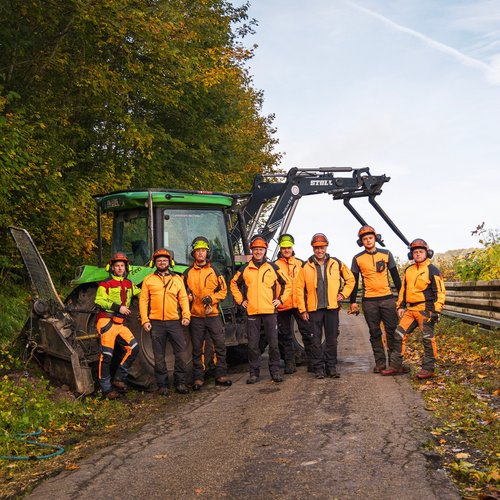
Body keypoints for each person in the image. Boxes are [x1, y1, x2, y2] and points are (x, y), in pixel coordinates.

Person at [230, 234, 291, 384]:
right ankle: (254, 373)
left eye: (261, 249)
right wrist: (241, 301)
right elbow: (233, 284)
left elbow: (287, 284)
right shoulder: (245, 269)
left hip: (270, 312)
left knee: (274, 343)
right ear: (252, 251)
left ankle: (275, 371)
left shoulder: (273, 267)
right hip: (252, 313)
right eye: (256, 249)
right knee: (253, 345)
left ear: (265, 251)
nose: (258, 252)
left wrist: (280, 300)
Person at [382, 239, 446, 379]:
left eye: (420, 252)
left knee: (428, 339)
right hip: (410, 311)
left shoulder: (433, 270)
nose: (417, 254)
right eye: (415, 252)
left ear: (427, 253)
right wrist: (400, 306)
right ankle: (395, 366)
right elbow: (403, 291)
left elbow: (440, 292)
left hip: (426, 309)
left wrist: (436, 311)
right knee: (398, 335)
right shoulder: (409, 270)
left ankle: (429, 369)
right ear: (411, 255)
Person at [297, 233, 355, 379]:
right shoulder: (305, 266)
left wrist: (343, 294)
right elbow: (298, 289)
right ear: (313, 248)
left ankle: (331, 367)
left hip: (331, 308)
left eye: (322, 247)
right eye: (316, 248)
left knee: (332, 339)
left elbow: (350, 279)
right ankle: (318, 369)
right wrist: (302, 309)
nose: (319, 250)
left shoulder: (336, 263)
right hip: (314, 309)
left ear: (326, 247)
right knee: (315, 340)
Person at [348, 225, 402, 373]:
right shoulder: (357, 258)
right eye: (365, 239)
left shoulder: (386, 254)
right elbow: (353, 281)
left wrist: (402, 300)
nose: (368, 241)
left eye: (370, 238)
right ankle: (380, 363)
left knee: (392, 331)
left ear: (375, 238)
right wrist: (353, 302)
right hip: (369, 301)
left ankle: (394, 363)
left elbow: (396, 278)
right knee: (374, 332)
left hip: (387, 299)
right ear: (361, 242)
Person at [139, 248, 191, 395]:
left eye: (164, 260)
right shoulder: (149, 280)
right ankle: (162, 385)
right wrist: (145, 320)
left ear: (169, 262)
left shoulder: (177, 279)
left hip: (175, 322)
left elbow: (183, 299)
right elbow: (143, 301)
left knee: (181, 354)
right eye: (159, 260)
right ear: (155, 263)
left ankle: (180, 383)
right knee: (159, 356)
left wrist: (186, 315)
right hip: (156, 323)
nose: (162, 262)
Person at [183, 236, 232, 391]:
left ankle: (221, 375)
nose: (200, 253)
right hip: (196, 316)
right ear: (194, 254)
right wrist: (187, 298)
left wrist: (212, 298)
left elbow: (223, 291)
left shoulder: (214, 271)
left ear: (207, 253)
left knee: (220, 345)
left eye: (203, 251)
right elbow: (181, 293)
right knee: (197, 348)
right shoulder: (187, 273)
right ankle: (198, 378)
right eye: (198, 251)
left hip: (213, 315)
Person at [95, 252, 141, 399]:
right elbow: (99, 300)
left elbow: (141, 293)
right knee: (106, 357)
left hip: (120, 324)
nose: (120, 268)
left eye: (122, 266)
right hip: (106, 322)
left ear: (125, 268)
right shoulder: (105, 283)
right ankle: (106, 390)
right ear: (112, 268)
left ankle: (119, 378)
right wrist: (118, 307)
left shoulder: (129, 284)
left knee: (134, 348)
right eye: (117, 266)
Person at [273, 233, 313, 374]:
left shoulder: (300, 264)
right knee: (285, 336)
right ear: (280, 248)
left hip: (298, 305)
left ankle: (312, 362)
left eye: (288, 247)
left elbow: (308, 283)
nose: (286, 250)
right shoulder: (275, 266)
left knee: (307, 332)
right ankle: (290, 363)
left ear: (292, 247)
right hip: (283, 306)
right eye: (284, 248)